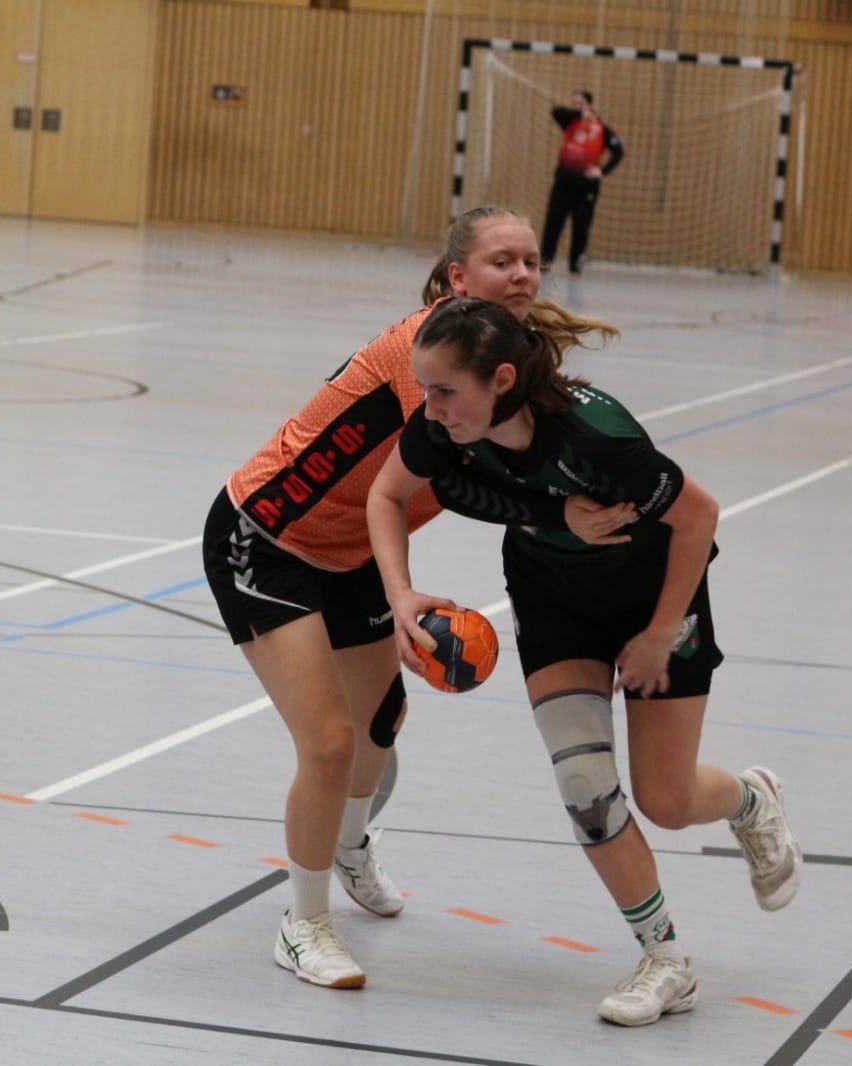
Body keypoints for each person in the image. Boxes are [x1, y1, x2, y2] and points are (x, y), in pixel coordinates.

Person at [201, 207, 635, 990]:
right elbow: (466, 480)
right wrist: (550, 517)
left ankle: (348, 846)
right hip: (266, 536)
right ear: (457, 277)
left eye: (531, 260)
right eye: (501, 261)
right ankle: (303, 925)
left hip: (351, 550)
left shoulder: (508, 357)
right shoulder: (430, 356)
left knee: (380, 721)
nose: (522, 275)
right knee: (329, 743)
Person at [365, 296, 802, 1025]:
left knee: (666, 802)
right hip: (553, 603)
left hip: (655, 600)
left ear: (502, 380)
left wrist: (660, 633)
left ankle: (750, 800)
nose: (430, 409)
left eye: (444, 390)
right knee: (584, 786)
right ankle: (666, 961)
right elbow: (386, 494)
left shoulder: (597, 435)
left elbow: (698, 517)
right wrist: (401, 595)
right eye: (424, 390)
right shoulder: (441, 428)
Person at [539, 90, 624, 275]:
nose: (576, 106)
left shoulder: (601, 128)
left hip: (586, 185)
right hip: (564, 181)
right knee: (554, 221)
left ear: (589, 105)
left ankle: (575, 263)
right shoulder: (570, 121)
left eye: (580, 103)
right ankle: (545, 261)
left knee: (581, 224)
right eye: (574, 103)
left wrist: (602, 171)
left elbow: (618, 152)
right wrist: (579, 113)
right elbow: (556, 111)